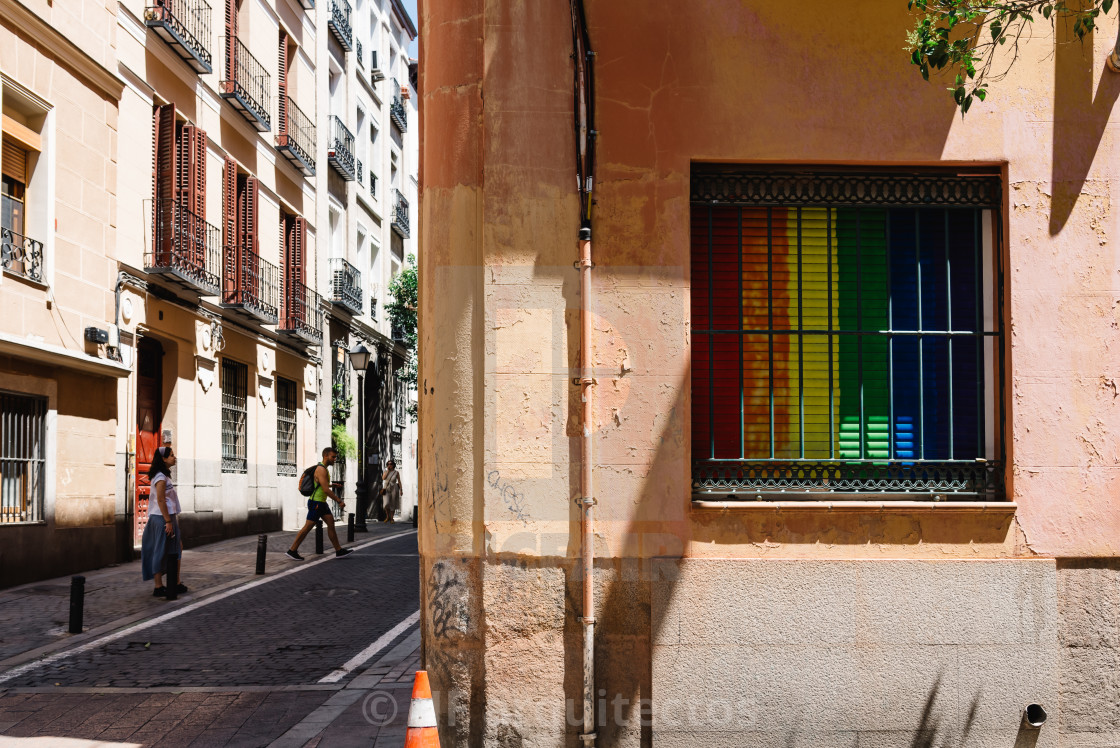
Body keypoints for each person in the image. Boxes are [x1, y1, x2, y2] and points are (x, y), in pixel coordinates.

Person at [286, 447, 354, 560]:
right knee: (307, 527)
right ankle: (292, 550)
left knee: (331, 524)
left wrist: (333, 485)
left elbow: (322, 486)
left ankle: (339, 550)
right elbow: (326, 490)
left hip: (321, 503)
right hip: (316, 503)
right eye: (333, 457)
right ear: (326, 456)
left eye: (335, 457)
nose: (335, 459)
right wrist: (339, 501)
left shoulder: (324, 469)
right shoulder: (321, 469)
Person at [140, 445, 186, 597]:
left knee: (177, 548)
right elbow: (160, 500)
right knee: (159, 551)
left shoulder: (164, 476)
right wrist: (167, 521)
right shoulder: (160, 477)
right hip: (161, 518)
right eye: (172, 455)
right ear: (164, 459)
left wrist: (171, 519)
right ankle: (158, 586)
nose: (175, 457)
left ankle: (176, 582)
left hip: (169, 517)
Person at [380, 460, 402, 524]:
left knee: (393, 503)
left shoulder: (396, 472)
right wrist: (388, 471)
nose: (389, 465)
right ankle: (388, 516)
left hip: (394, 488)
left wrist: (401, 490)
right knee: (386, 504)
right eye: (388, 464)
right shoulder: (385, 472)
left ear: (393, 465)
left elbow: (399, 481)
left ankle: (391, 518)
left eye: (391, 464)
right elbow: (383, 478)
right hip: (386, 488)